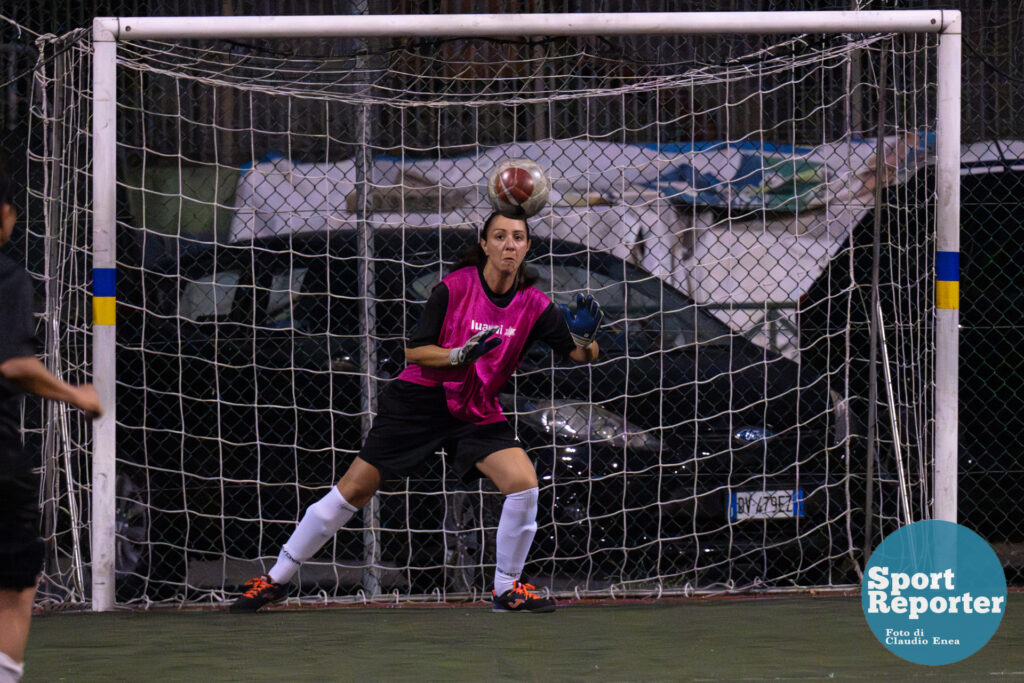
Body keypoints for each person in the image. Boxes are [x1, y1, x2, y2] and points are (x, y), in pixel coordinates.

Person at [231, 211, 603, 613]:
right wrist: (458, 354)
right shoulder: (455, 288)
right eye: (500, 236)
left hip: (475, 407)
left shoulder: (533, 303)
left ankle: (506, 587)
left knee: (523, 482)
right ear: (485, 244)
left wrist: (585, 336)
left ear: (527, 247)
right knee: (354, 489)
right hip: (420, 399)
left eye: (517, 237)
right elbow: (415, 350)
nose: (509, 245)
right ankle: (274, 579)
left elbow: (581, 353)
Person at [0, 169, 103, 682]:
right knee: (16, 586)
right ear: (6, 214)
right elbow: (14, 365)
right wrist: (75, 393)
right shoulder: (7, 276)